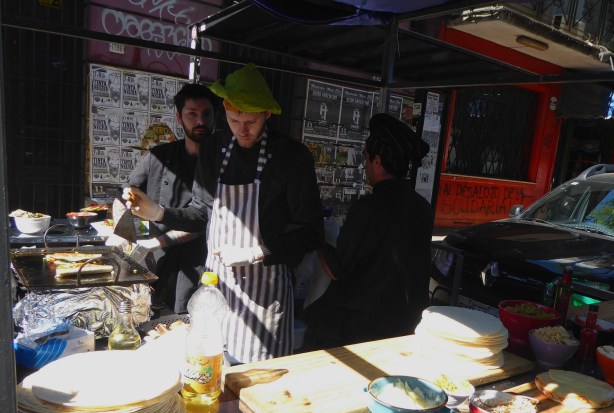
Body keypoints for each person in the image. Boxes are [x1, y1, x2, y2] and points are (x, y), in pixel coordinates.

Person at [124, 64, 324, 363]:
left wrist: (255, 253)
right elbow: (201, 214)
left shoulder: (291, 157)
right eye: (234, 120)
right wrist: (158, 212)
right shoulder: (214, 149)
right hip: (215, 289)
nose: (242, 130)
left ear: (267, 114)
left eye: (251, 121)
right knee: (212, 365)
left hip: (265, 294)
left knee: (258, 376)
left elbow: (311, 232)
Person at [304, 113, 433, 348]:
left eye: (365, 157)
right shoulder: (422, 207)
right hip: (409, 324)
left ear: (377, 161)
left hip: (364, 328)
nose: (364, 165)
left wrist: (319, 242)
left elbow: (336, 269)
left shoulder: (368, 208)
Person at [126, 83, 217, 314]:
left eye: (207, 114)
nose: (200, 121)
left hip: (198, 261)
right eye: (192, 114)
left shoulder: (221, 163)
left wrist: (157, 241)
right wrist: (125, 232)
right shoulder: (159, 156)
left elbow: (204, 219)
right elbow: (127, 192)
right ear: (179, 117)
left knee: (187, 319)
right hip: (156, 258)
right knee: (147, 315)